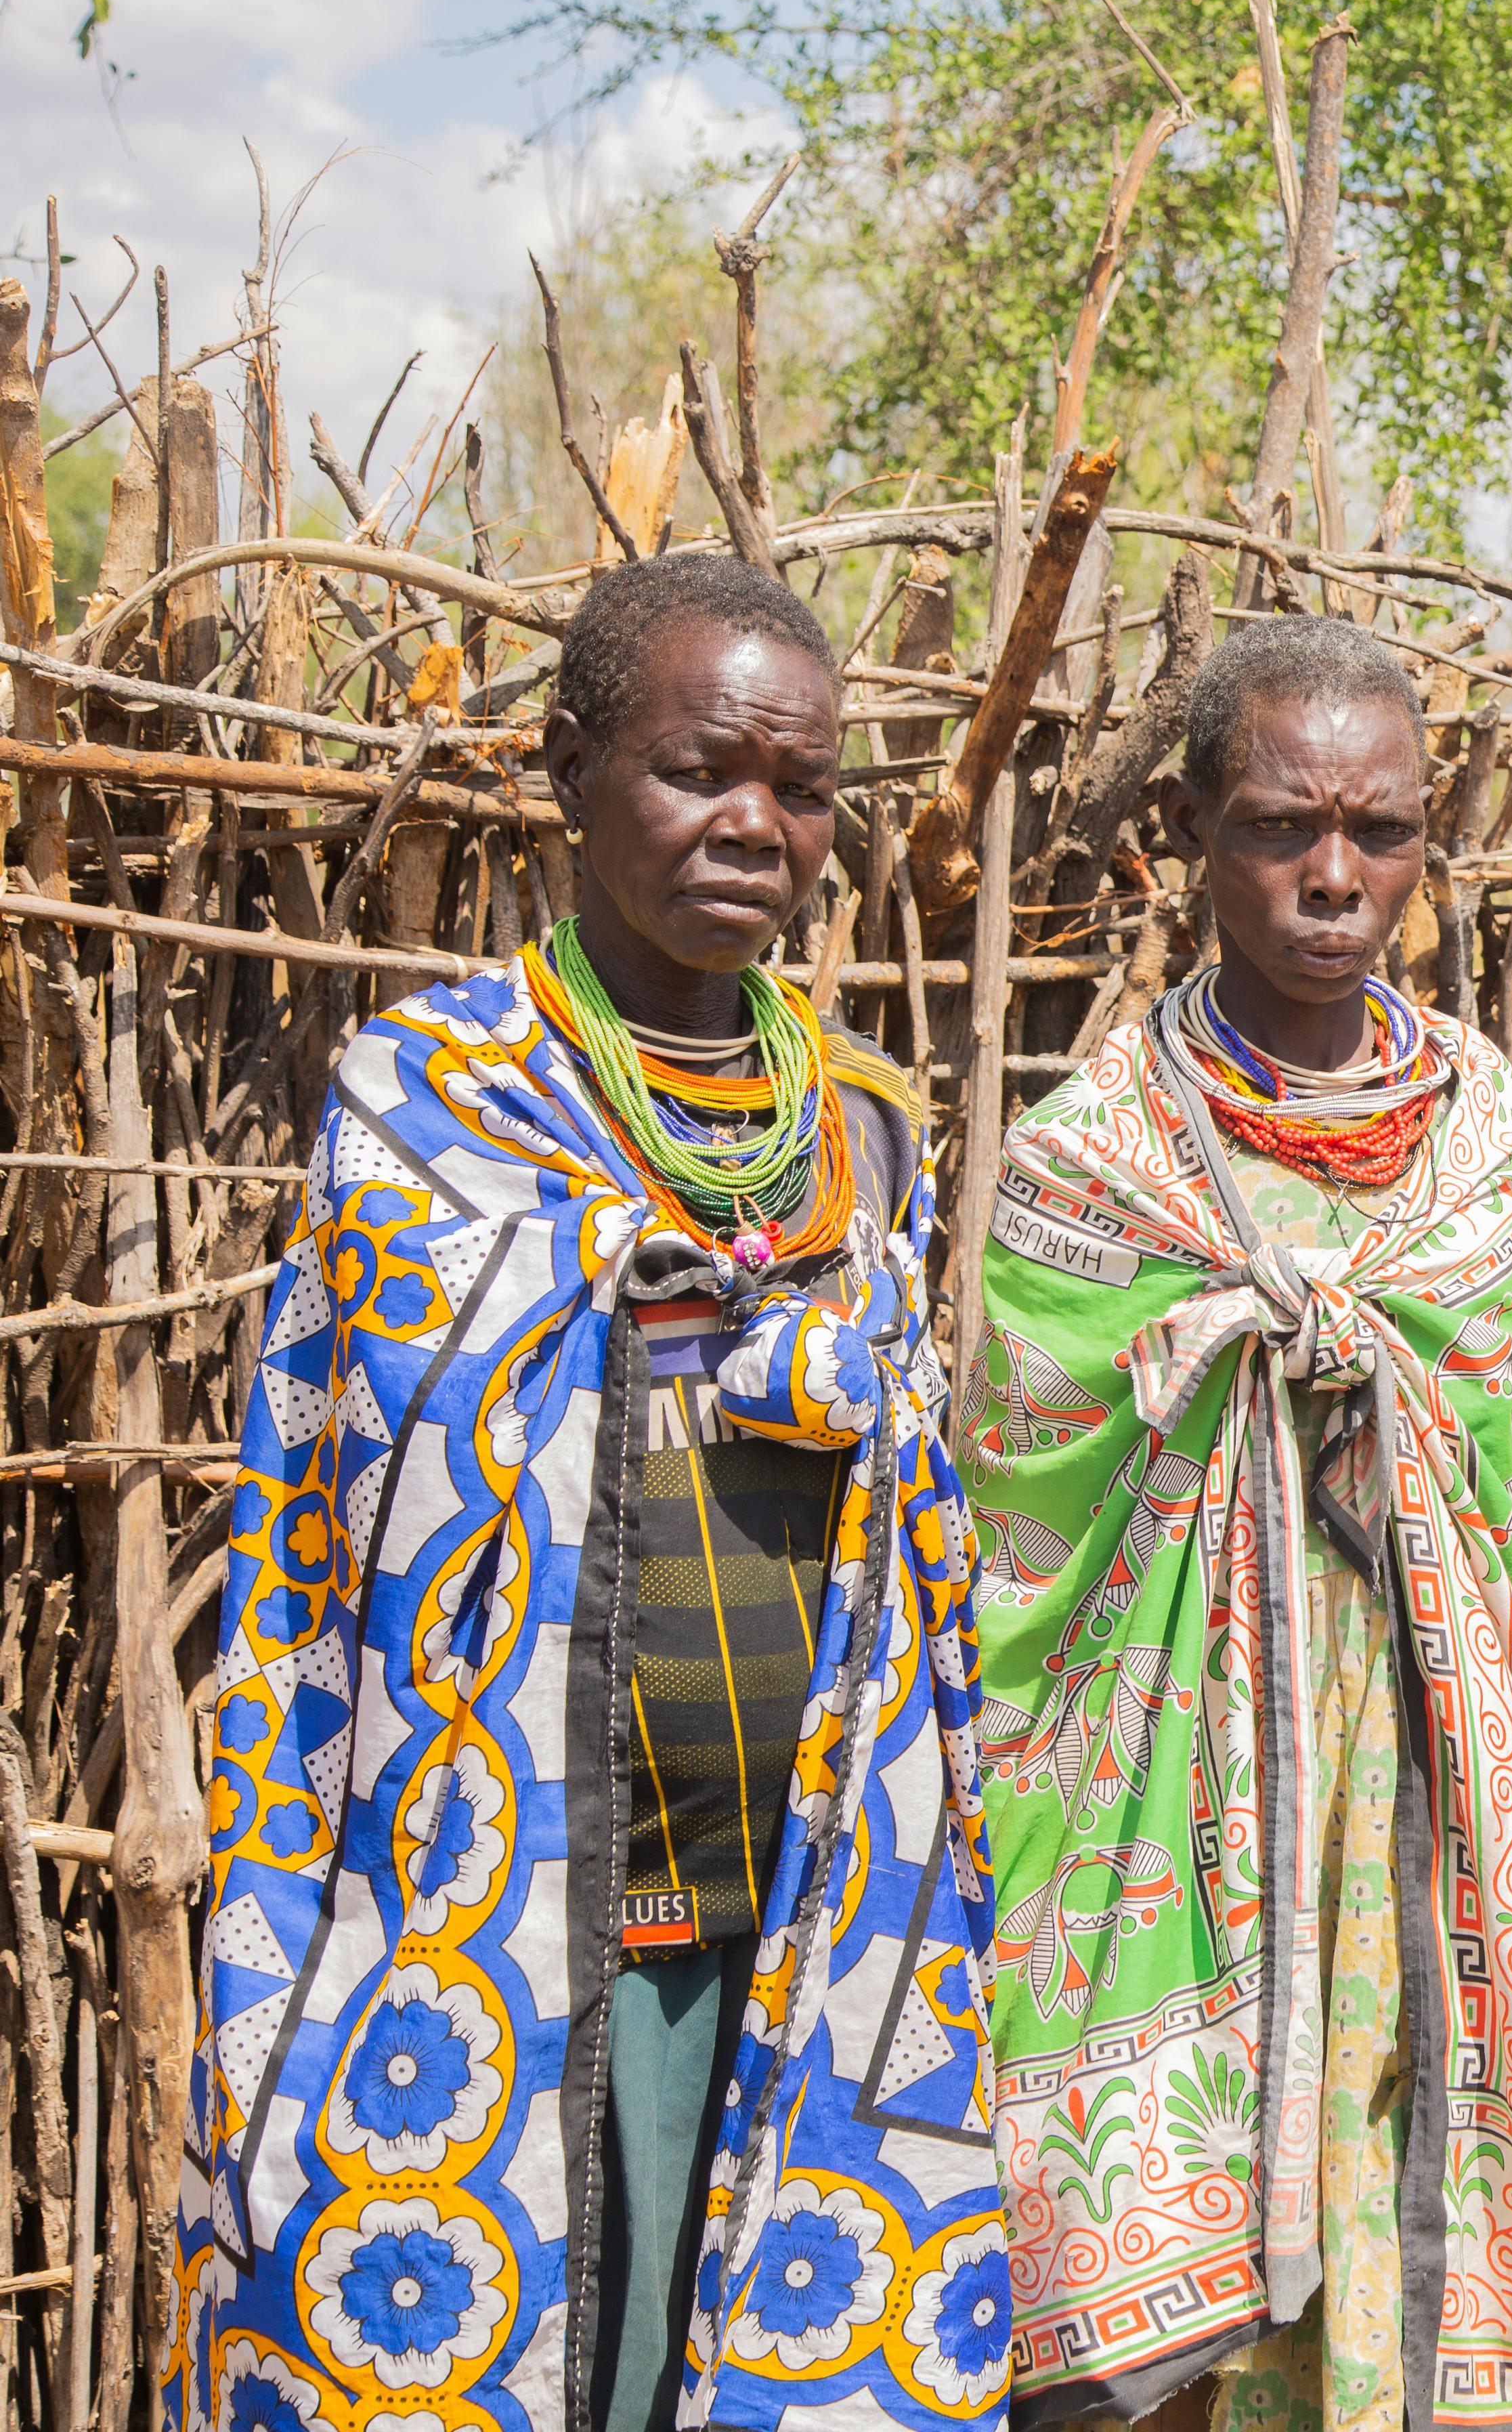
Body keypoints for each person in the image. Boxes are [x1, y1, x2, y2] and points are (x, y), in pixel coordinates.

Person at [186, 553, 1006, 2432]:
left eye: (802, 790)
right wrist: (649, 1299)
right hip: (524, 1886)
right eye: (699, 768)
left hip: (810, 1892)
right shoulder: (433, 1094)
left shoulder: (862, 1115)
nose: (758, 824)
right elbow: (356, 1456)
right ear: (569, 769)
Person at [965, 617, 1512, 2432]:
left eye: (1383, 829)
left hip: (1439, 1777)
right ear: (1193, 828)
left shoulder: (1497, 1148)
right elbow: (1028, 1536)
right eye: (1284, 826)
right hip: (1174, 1808)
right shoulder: (1092, 1162)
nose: (1336, 875)